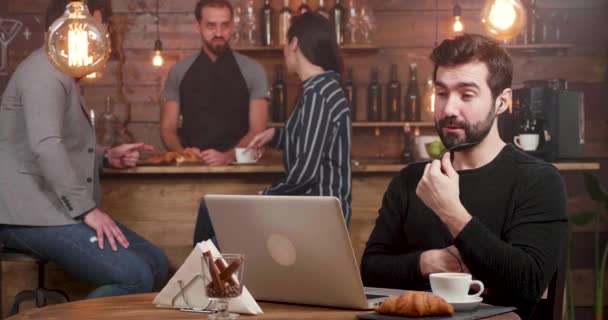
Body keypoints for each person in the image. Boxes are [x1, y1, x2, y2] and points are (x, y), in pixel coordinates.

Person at [360, 34, 567, 319]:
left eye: (466, 95)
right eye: (442, 93)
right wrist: (429, 262)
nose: (448, 110)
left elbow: (527, 284)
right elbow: (369, 270)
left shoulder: (538, 181)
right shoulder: (411, 179)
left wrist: (451, 212)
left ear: (502, 102)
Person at [0, 0, 169, 299]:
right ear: (67, 29)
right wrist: (88, 210)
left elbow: (55, 142)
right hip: (28, 217)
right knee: (136, 276)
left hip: (54, 213)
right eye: (94, 28)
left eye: (101, 29)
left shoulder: (64, 72)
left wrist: (106, 156)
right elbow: (46, 146)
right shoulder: (44, 70)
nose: (101, 36)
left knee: (155, 262)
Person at [193, 12, 352, 247]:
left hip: (316, 218)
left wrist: (266, 196)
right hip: (305, 211)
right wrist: (276, 136)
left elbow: (305, 174)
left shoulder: (318, 95)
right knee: (209, 207)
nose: (284, 51)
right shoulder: (321, 89)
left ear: (295, 43)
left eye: (286, 44)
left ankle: (203, 280)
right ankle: (206, 279)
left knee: (216, 243)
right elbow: (312, 138)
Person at [161, 0, 269, 166]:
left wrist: (228, 156)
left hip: (240, 168)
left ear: (232, 26)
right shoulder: (179, 72)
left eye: (225, 26)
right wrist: (184, 153)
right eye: (211, 26)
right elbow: (168, 129)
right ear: (198, 27)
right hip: (191, 168)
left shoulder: (254, 71)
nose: (219, 33)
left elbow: (257, 131)